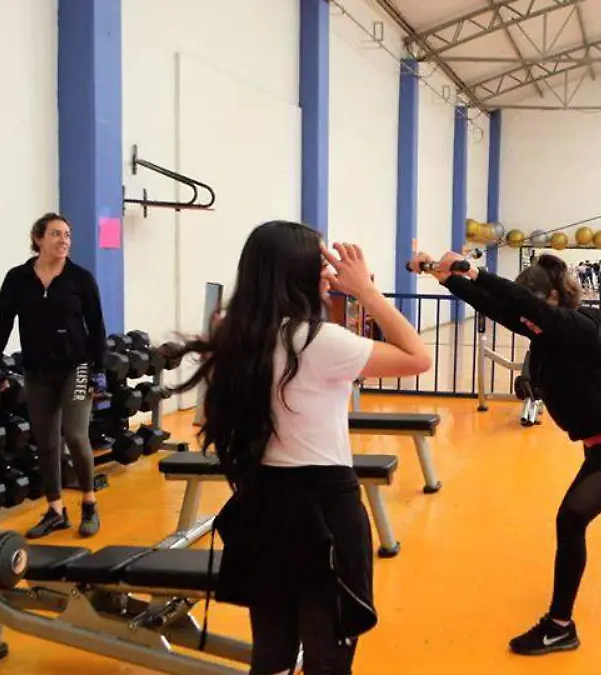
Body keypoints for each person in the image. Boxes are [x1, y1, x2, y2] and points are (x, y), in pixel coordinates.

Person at [166, 221, 431, 675]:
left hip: (262, 504)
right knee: (328, 659)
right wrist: (366, 292)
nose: (328, 273)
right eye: (320, 263)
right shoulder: (319, 341)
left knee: (272, 656)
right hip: (323, 511)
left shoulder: (233, 335)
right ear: (297, 273)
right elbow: (418, 357)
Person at [411, 249, 601, 657]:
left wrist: (476, 271)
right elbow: (503, 309)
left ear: (555, 298)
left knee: (571, 519)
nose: (528, 317)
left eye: (536, 306)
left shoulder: (581, 327)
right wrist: (448, 280)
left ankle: (559, 626)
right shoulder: (544, 329)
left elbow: (522, 306)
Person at [0, 212, 107, 539]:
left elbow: (96, 325)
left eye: (67, 235)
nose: (64, 240)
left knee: (76, 435)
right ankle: (55, 510)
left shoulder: (80, 279)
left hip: (77, 369)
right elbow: (2, 321)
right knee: (46, 441)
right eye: (56, 234)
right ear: (38, 238)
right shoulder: (17, 279)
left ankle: (89, 502)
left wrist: (98, 369)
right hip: (37, 371)